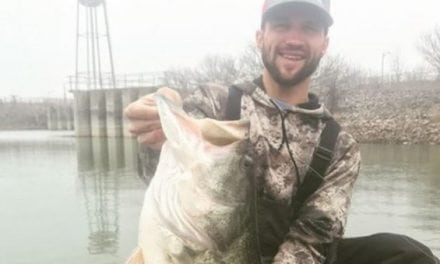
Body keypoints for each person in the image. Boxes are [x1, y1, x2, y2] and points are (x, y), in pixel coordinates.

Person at [124, 0, 440, 263]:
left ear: (324, 44)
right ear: (260, 36)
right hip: (207, 246)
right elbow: (153, 173)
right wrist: (157, 124)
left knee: (406, 255)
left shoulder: (340, 146)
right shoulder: (214, 102)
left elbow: (313, 240)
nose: (294, 38)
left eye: (309, 28)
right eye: (281, 25)